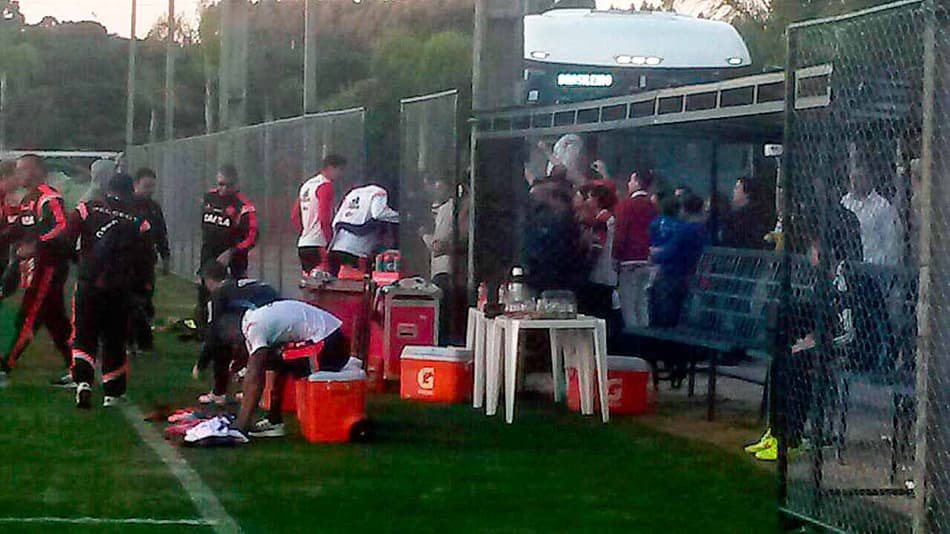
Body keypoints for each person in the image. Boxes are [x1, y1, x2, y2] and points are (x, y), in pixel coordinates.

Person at [70, 174, 152, 408]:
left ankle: (83, 382)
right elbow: (146, 258)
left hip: (89, 283)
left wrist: (81, 262)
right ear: (130, 191)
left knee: (84, 334)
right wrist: (143, 288)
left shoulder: (87, 208)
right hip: (119, 288)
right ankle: (112, 393)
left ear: (108, 189)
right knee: (114, 339)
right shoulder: (139, 220)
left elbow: (67, 237)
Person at [0, 155, 72, 387]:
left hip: (48, 267)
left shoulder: (49, 197)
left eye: (23, 169)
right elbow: (17, 229)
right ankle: (78, 366)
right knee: (55, 320)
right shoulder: (28, 200)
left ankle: (4, 366)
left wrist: (37, 245)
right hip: (35, 267)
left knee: (28, 315)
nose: (19, 174)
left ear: (38, 171)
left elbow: (62, 226)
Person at [231, 300, 349, 439]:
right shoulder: (257, 318)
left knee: (272, 361)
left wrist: (241, 423)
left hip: (331, 349)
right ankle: (273, 419)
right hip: (332, 339)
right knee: (273, 358)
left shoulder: (253, 328)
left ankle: (251, 424)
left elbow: (255, 374)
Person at [191, 261, 279, 406]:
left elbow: (213, 333)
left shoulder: (219, 293)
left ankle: (220, 392)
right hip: (280, 311)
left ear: (209, 280)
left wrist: (201, 364)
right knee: (254, 345)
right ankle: (259, 388)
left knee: (221, 341)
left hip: (265, 316)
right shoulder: (237, 286)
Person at [197, 164, 258, 329]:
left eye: (228, 185)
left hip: (234, 257)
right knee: (205, 290)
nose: (223, 189)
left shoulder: (243, 205)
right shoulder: (208, 197)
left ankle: (237, 327)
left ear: (236, 184)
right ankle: (204, 327)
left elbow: (252, 237)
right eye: (220, 184)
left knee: (235, 291)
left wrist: (233, 251)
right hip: (209, 253)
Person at [649, 193, 706, 328]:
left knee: (665, 306)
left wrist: (654, 256)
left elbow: (672, 250)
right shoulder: (702, 228)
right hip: (690, 272)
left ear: (684, 209)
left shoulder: (685, 229)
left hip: (672, 272)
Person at [129, 167, 170, 353]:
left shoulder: (154, 208)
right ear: (136, 185)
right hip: (128, 261)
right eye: (146, 186)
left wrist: (165, 256)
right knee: (130, 301)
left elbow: (161, 234)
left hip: (146, 262)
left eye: (152, 186)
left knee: (145, 300)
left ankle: (144, 342)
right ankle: (130, 340)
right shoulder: (128, 205)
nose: (150, 190)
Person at [613, 170, 658, 328]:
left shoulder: (626, 205)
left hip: (629, 260)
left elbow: (620, 233)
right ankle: (645, 333)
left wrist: (616, 257)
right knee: (642, 302)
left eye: (631, 180)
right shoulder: (653, 207)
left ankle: (632, 336)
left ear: (637, 183)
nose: (629, 184)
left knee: (628, 304)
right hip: (647, 259)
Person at [840, 159, 902, 266]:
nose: (855, 181)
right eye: (853, 177)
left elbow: (890, 243)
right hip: (849, 265)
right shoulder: (845, 202)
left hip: (873, 266)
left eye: (860, 177)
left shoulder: (882, 206)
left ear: (869, 178)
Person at [292, 154, 347, 273]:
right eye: (339, 170)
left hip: (304, 243)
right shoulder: (326, 185)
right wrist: (329, 239)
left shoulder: (307, 185)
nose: (340, 175)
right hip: (319, 244)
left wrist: (305, 232)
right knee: (325, 279)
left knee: (309, 281)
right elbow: (324, 216)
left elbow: (294, 215)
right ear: (330, 168)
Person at [329, 184, 399, 274]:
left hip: (336, 247)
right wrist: (400, 217)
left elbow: (336, 222)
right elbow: (378, 214)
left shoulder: (353, 194)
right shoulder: (378, 193)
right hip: (357, 251)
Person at [720, 177, 773, 249]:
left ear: (747, 193)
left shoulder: (741, 218)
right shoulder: (732, 216)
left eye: (737, 188)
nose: (733, 191)